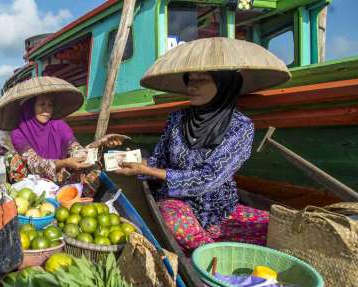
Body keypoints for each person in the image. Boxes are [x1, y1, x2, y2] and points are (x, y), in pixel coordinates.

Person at [115, 37, 291, 252]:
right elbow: (159, 161)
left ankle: (207, 245)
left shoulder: (241, 127)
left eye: (203, 80)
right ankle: (211, 256)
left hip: (220, 210)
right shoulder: (176, 119)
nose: (192, 86)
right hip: (176, 203)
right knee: (177, 227)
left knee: (279, 230)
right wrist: (137, 164)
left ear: (224, 83)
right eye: (190, 79)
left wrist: (149, 169)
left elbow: (208, 178)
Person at [0, 76, 124, 196]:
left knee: (93, 167)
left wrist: (101, 143)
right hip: (33, 181)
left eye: (50, 105)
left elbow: (76, 150)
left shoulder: (59, 126)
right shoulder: (18, 133)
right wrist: (65, 162)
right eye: (41, 104)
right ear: (29, 107)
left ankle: (76, 200)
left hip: (60, 177)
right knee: (11, 158)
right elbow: (35, 164)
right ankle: (28, 201)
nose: (46, 109)